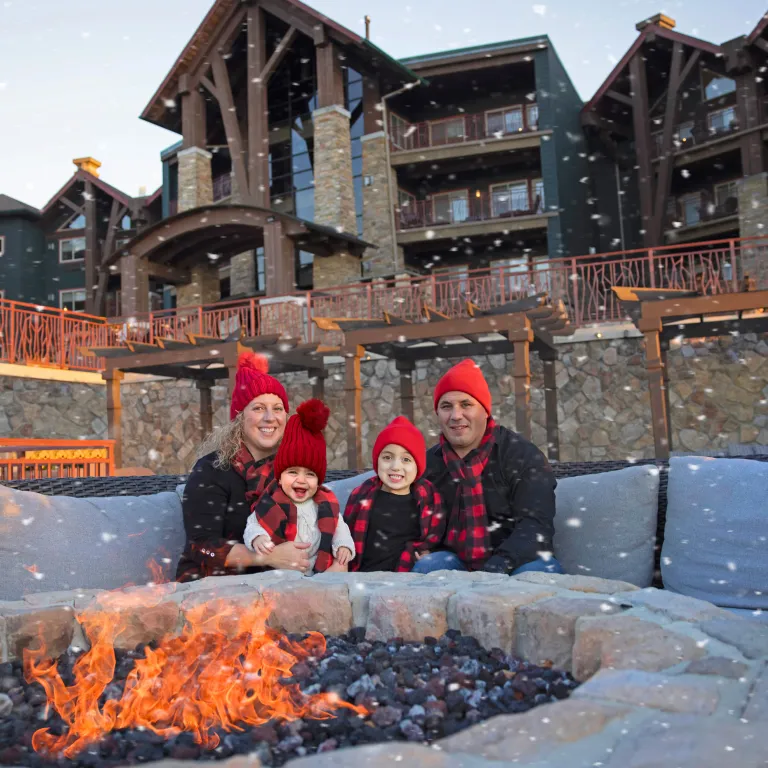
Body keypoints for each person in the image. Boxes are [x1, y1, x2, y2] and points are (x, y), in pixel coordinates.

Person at [414, 358, 564, 576]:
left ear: (485, 410)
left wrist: (493, 570)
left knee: (543, 572)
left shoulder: (522, 456)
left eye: (466, 404)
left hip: (517, 561)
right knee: (428, 566)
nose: (456, 416)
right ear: (438, 414)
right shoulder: (427, 465)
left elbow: (535, 528)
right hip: (455, 563)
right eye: (447, 406)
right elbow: (408, 517)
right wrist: (416, 547)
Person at [175, 351, 312, 582]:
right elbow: (201, 548)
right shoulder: (212, 470)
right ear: (240, 417)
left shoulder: (294, 471)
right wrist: (266, 557)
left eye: (277, 408)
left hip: (280, 588)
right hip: (212, 588)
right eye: (258, 408)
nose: (270, 417)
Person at [244, 399, 355, 573]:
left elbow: (340, 528)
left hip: (319, 570)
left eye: (310, 474)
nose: (301, 480)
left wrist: (344, 546)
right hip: (283, 573)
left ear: (318, 482)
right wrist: (257, 538)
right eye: (293, 472)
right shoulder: (271, 502)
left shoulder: (326, 504)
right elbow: (253, 524)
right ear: (279, 478)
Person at [345, 416, 446, 572]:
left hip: (405, 577)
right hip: (364, 575)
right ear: (377, 461)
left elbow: (435, 535)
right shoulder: (362, 494)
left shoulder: (428, 498)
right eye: (387, 457)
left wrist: (429, 552)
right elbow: (345, 532)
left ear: (417, 466)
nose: (395, 466)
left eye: (406, 459)